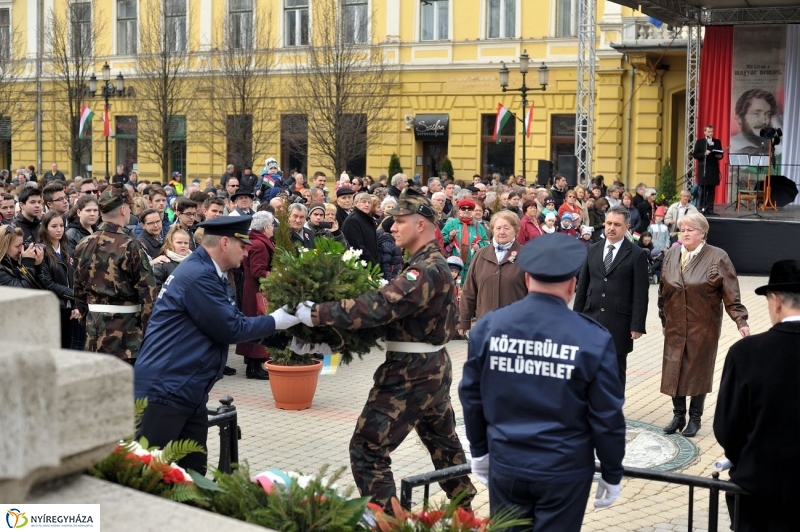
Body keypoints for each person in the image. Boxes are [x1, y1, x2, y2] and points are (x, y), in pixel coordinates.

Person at [294, 190, 476, 513]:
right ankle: (465, 513)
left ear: (421, 225)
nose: (392, 228)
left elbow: (380, 305)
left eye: (399, 222)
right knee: (444, 445)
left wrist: (315, 312)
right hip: (429, 367)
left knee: (367, 448)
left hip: (411, 372)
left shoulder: (426, 269)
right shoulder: (425, 263)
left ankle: (389, 520)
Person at [459, 233, 626, 532]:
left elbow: (472, 397)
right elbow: (607, 416)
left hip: (506, 461)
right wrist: (612, 471)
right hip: (563, 468)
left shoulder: (489, 326)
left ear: (526, 279)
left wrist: (480, 450)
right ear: (573, 285)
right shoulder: (592, 338)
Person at [135, 216, 301, 474]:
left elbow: (228, 323)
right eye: (242, 245)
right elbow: (231, 328)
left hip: (187, 388)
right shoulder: (199, 276)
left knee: (192, 476)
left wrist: (287, 340)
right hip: (166, 389)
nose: (247, 251)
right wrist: (276, 321)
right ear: (225, 243)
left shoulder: (209, 271)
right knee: (147, 475)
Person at [714, 260, 800, 531]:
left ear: (775, 301)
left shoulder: (746, 353)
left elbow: (727, 427)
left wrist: (743, 454)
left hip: (758, 488)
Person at [658, 213, 749, 437]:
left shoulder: (717, 256)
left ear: (702, 233)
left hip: (703, 326)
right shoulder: (671, 254)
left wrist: (741, 321)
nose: (685, 233)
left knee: (698, 370)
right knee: (673, 368)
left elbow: (731, 293)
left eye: (690, 229)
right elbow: (663, 292)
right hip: (675, 324)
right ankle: (678, 415)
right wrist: (663, 319)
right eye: (682, 229)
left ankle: (695, 418)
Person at [73, 186, 157, 362]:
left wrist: (88, 318)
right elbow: (148, 294)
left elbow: (78, 289)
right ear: (123, 209)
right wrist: (149, 332)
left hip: (94, 328)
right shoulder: (130, 246)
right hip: (126, 334)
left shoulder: (84, 244)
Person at [574, 205, 649, 392]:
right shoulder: (592, 249)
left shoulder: (636, 253)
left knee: (615, 369)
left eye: (616, 224)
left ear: (626, 227)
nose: (611, 228)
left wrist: (637, 324)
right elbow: (583, 285)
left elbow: (641, 292)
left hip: (619, 322)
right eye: (608, 223)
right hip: (590, 317)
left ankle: (613, 410)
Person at [457, 211, 526, 338]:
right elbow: (469, 291)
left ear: (516, 230)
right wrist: (464, 320)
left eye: (506, 228)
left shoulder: (526, 256)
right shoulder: (480, 255)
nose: (502, 232)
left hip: (517, 327)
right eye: (498, 228)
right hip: (485, 325)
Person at [235, 211, 275, 380]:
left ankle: (252, 364)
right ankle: (255, 367)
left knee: (252, 324)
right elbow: (258, 271)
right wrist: (276, 275)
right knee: (257, 325)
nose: (273, 228)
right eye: (272, 224)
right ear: (265, 227)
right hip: (257, 291)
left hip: (252, 289)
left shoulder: (254, 240)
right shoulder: (259, 244)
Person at [36, 211, 77, 349]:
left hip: (69, 307)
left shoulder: (67, 250)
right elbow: (48, 283)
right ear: (45, 228)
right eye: (54, 226)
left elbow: (74, 277)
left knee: (67, 345)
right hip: (54, 307)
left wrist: (75, 304)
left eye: (61, 225)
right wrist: (74, 295)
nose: (59, 229)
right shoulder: (42, 251)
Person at [442, 198, 489, 281]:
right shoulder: (452, 223)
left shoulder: (478, 225)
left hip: (472, 264)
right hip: (454, 265)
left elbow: (487, 242)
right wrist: (449, 237)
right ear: (459, 210)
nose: (466, 211)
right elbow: (440, 240)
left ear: (472, 211)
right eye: (463, 208)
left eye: (469, 209)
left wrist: (479, 246)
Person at [730, 89, 780, 157]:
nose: (764, 121)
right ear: (739, 118)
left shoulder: (778, 147)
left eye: (768, 114)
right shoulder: (732, 146)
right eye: (756, 114)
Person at [692, 124, 723, 216]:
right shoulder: (700, 142)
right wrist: (704, 153)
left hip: (713, 168)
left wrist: (719, 155)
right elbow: (695, 155)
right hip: (703, 168)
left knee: (711, 190)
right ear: (704, 132)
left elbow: (720, 154)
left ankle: (710, 209)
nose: (711, 133)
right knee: (703, 189)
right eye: (709, 131)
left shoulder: (717, 142)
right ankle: (701, 208)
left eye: (712, 131)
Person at [341, 192, 379, 267]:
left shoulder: (368, 219)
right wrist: (373, 265)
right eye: (364, 202)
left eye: (369, 202)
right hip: (361, 266)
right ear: (355, 203)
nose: (367, 205)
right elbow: (357, 247)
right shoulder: (352, 221)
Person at [152, 226, 192, 292]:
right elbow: (156, 290)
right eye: (179, 242)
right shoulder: (162, 264)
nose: (183, 245)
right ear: (170, 244)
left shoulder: (194, 262)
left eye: (186, 243)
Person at [376, 217, 402, 281]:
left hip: (396, 276)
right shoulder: (387, 243)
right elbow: (385, 264)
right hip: (392, 278)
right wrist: (389, 280)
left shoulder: (392, 241)